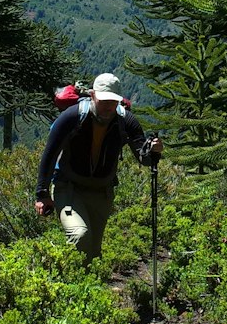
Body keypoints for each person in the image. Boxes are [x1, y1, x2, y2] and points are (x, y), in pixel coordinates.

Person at [35, 72, 162, 261]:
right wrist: (42, 194)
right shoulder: (72, 117)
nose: (108, 106)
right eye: (103, 100)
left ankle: (88, 287)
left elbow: (144, 158)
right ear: (93, 95)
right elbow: (49, 155)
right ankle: (67, 284)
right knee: (80, 236)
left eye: (112, 101)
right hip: (69, 188)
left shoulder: (126, 121)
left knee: (93, 252)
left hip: (102, 192)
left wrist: (154, 151)